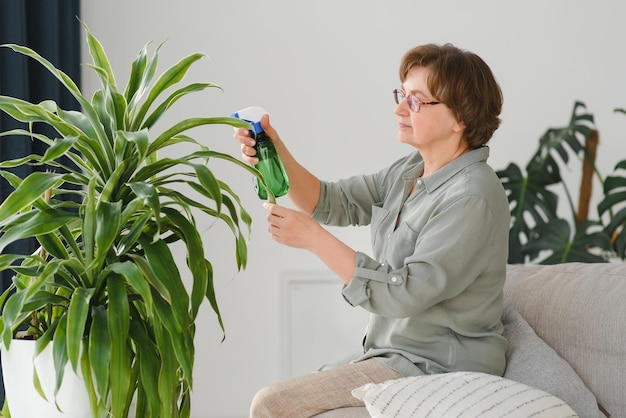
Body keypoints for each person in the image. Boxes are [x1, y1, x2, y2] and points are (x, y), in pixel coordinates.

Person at [234, 43, 510, 417]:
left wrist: (314, 239)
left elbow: (405, 294)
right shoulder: (409, 171)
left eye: (415, 101)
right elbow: (330, 201)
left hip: (439, 369)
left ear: (459, 117)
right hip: (392, 357)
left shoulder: (472, 195)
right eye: (401, 94)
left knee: (272, 404)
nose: (399, 109)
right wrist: (274, 148)